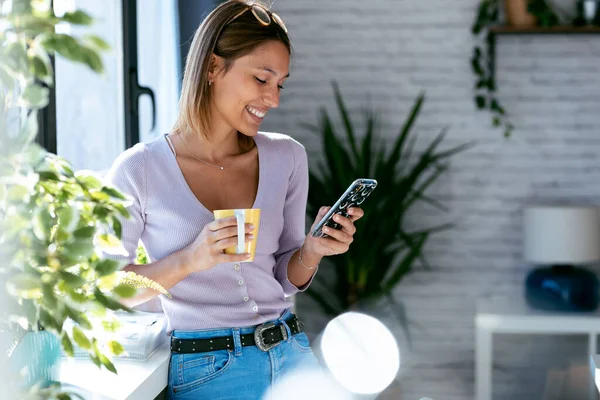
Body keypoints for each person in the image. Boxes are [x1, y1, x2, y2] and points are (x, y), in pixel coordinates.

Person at [105, 1, 365, 399]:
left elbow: (284, 277)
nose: (273, 98)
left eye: (280, 83)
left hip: (292, 353)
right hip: (208, 369)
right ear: (212, 68)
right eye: (262, 78)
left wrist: (312, 251)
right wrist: (190, 260)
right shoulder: (138, 168)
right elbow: (112, 288)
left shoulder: (288, 157)